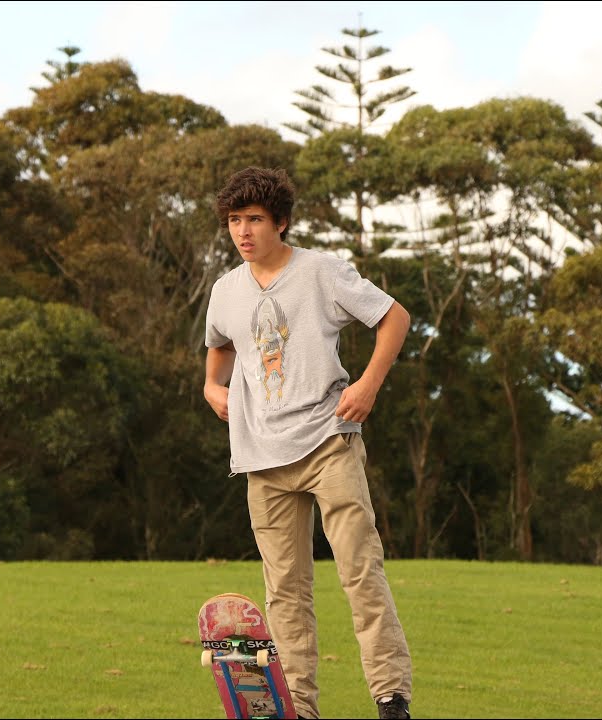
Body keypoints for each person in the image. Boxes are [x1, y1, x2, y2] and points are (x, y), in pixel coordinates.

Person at [203, 167, 413, 720]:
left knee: (360, 572)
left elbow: (394, 317)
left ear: (281, 222)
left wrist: (368, 385)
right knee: (285, 592)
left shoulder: (321, 272)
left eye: (254, 219)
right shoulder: (225, 290)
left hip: (327, 442)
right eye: (234, 220)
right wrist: (211, 386)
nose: (242, 231)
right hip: (261, 457)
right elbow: (220, 345)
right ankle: (297, 707)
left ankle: (391, 698)